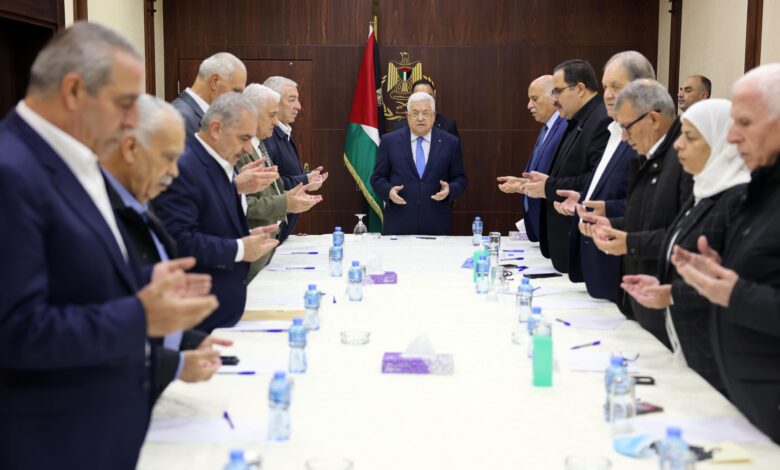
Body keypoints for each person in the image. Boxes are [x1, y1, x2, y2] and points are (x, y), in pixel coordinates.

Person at [0, 23, 217, 470]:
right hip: (52, 443)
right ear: (73, 91)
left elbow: (73, 279)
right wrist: (141, 315)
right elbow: (15, 330)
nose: (132, 121)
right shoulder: (12, 170)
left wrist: (144, 279)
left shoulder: (74, 160)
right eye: (124, 104)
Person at [671, 64, 780, 443]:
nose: (731, 137)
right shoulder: (761, 187)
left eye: (745, 123)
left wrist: (735, 292)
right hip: (747, 406)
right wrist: (720, 271)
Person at [102, 94, 234, 401]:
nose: (174, 172)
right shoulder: (101, 211)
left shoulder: (140, 201)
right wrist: (171, 365)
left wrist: (187, 341)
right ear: (131, 148)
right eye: (168, 158)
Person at [622, 99, 749, 394]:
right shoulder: (703, 192)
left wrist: (671, 293)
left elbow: (730, 283)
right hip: (687, 343)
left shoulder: (736, 199)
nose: (678, 145)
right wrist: (664, 286)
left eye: (690, 137)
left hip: (717, 354)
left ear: (721, 142)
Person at [154, 93, 279, 332]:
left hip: (220, 313)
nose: (247, 149)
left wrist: (245, 236)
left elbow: (212, 221)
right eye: (244, 138)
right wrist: (240, 248)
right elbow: (178, 239)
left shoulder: (219, 162)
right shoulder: (185, 167)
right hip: (198, 317)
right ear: (215, 129)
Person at [587, 79, 693, 347]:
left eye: (627, 127)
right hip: (641, 300)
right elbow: (646, 218)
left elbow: (686, 235)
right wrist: (610, 224)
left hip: (669, 304)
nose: (624, 137)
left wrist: (630, 243)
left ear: (654, 119)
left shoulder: (684, 160)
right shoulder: (649, 155)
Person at [555, 51, 653, 302]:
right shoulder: (613, 130)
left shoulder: (644, 139)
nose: (607, 94)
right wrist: (583, 198)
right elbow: (608, 187)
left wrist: (606, 208)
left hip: (622, 272)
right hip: (597, 269)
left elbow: (647, 208)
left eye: (616, 87)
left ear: (643, 88)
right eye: (606, 86)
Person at [522, 59, 611, 273]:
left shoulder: (601, 120)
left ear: (579, 89)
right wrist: (546, 182)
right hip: (564, 239)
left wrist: (549, 186)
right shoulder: (577, 119)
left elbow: (598, 179)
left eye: (558, 91)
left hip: (583, 236)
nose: (554, 99)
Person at [239, 83, 322, 280]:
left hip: (265, 253)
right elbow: (239, 203)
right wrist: (285, 203)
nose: (276, 122)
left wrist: (288, 196)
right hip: (247, 256)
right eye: (271, 115)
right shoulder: (239, 151)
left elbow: (267, 190)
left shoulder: (259, 144)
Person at [371, 92, 468, 235]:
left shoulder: (450, 142)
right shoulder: (389, 141)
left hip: (436, 225)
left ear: (433, 115)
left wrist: (450, 190)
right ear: (407, 116)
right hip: (398, 225)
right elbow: (377, 178)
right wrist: (389, 191)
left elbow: (460, 179)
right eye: (415, 113)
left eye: (425, 113)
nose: (420, 118)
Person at [496, 75, 567, 242]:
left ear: (554, 97)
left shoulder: (565, 127)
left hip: (554, 225)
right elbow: (542, 174)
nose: (529, 105)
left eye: (534, 99)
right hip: (539, 226)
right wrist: (522, 183)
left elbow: (560, 177)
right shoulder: (546, 128)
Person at [262, 75, 328, 242]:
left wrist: (306, 179)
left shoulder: (284, 133)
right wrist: (305, 179)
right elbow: (268, 186)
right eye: (292, 100)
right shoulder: (268, 136)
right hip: (268, 235)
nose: (298, 106)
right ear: (273, 102)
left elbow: (282, 175)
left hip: (279, 235)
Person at [171, 52, 247, 135]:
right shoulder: (180, 118)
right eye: (236, 91)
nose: (239, 99)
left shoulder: (209, 116)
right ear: (215, 81)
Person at [394, 78, 460, 138]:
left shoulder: (448, 125)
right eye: (419, 96)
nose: (424, 99)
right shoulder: (399, 127)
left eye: (428, 96)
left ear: (434, 97)